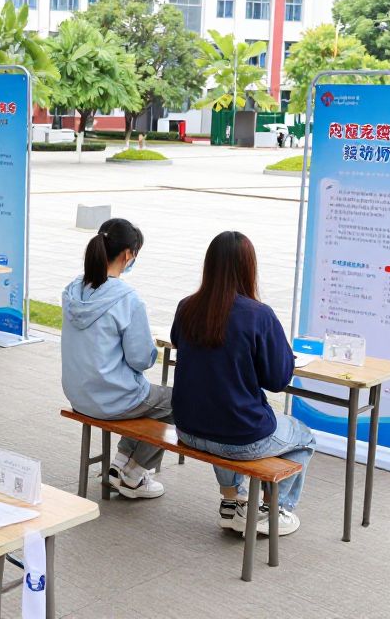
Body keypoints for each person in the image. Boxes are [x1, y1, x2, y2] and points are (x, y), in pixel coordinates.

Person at [170, 231, 315, 537]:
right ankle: (271, 511)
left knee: (221, 412)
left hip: (187, 429)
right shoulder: (259, 315)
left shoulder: (186, 307)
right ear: (249, 267)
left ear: (209, 265)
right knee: (303, 436)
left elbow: (181, 345)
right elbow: (278, 380)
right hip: (238, 435)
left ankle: (232, 501)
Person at [61, 218, 172, 499]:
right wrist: (150, 346)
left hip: (78, 394)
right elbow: (141, 360)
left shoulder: (73, 290)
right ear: (127, 254)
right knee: (179, 401)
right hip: (111, 397)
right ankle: (133, 474)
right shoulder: (127, 298)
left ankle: (120, 465)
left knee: (150, 400)